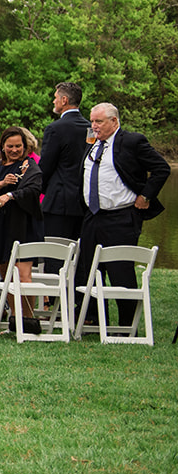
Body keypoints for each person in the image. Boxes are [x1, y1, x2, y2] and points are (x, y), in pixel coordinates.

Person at [71, 102, 170, 331]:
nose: (93, 126)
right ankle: (94, 320)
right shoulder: (92, 141)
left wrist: (145, 196)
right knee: (88, 270)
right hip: (92, 216)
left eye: (99, 121)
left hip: (121, 217)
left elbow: (161, 169)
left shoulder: (132, 141)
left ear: (114, 121)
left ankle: (128, 326)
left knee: (120, 271)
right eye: (92, 121)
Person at [0, 127, 46, 333]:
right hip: (1, 226)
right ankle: (14, 319)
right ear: (2, 147)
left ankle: (28, 320)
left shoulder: (29, 166)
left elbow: (33, 189)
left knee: (22, 275)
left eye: (18, 146)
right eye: (10, 146)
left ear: (25, 146)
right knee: (6, 275)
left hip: (24, 225)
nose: (14, 150)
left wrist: (9, 196)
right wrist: (2, 183)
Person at [40, 82, 91, 244]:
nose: (53, 102)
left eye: (55, 98)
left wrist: (39, 189)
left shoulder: (55, 128)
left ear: (64, 100)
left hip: (58, 202)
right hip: (84, 201)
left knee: (55, 254)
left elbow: (46, 167)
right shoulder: (90, 128)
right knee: (78, 254)